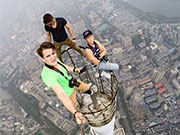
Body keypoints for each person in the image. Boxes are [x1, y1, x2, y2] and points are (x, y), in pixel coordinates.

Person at [37, 42, 92, 124]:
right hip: (68, 94)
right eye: (48, 56)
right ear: (43, 59)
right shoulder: (47, 75)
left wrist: (74, 69)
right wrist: (75, 113)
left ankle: (89, 92)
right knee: (79, 108)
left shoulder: (55, 60)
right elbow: (61, 94)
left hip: (72, 82)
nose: (53, 57)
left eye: (53, 53)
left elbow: (63, 66)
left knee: (86, 87)